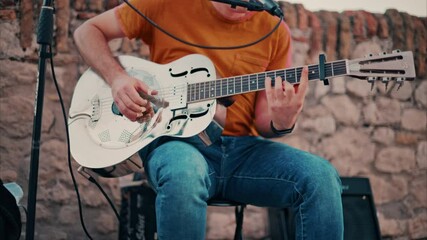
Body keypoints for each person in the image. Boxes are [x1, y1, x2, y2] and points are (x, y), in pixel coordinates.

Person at [73, 0, 344, 239]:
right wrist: (117, 77)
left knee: (320, 176)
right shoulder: (166, 3)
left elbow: (264, 122)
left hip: (244, 153)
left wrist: (283, 121)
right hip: (178, 145)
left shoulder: (273, 27)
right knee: (184, 172)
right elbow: (87, 31)